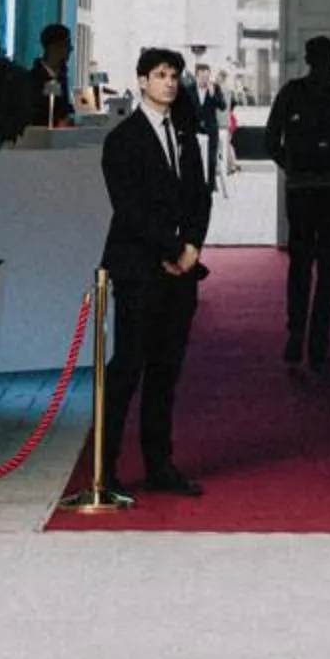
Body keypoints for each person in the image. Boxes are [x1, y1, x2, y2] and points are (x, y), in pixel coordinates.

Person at [98, 45, 213, 496]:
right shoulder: (122, 139)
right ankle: (105, 468)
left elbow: (200, 196)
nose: (169, 82)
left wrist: (192, 247)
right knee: (128, 368)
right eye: (161, 74)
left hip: (181, 271)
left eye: (174, 75)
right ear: (142, 81)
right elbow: (128, 209)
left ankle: (159, 463)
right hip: (138, 268)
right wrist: (173, 248)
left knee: (167, 370)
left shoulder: (183, 135)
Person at [265, 33, 330, 374]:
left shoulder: (291, 92)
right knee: (329, 268)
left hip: (301, 190)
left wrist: (291, 166)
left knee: (299, 264)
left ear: (308, 60)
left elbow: (270, 139)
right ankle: (319, 344)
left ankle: (295, 335)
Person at [26, 22, 75, 127]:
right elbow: (35, 112)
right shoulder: (34, 78)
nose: (70, 49)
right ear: (54, 47)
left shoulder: (62, 76)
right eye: (66, 44)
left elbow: (64, 107)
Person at [189, 62, 225, 191]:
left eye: (207, 77)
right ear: (196, 76)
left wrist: (213, 94)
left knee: (211, 157)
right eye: (202, 77)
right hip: (194, 128)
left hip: (210, 128)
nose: (205, 80)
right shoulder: (189, 89)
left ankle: (210, 184)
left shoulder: (214, 88)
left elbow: (222, 106)